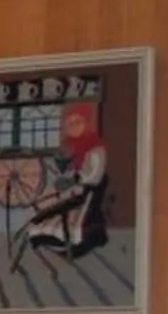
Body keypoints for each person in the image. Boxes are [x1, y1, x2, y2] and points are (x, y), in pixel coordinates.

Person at [21, 98, 110, 259]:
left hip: (87, 192)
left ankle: (72, 244)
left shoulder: (95, 147)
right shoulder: (71, 145)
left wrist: (75, 179)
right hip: (74, 190)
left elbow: (94, 174)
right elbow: (66, 169)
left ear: (85, 123)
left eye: (77, 123)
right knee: (44, 207)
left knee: (67, 214)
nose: (73, 128)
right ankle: (52, 239)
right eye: (69, 124)